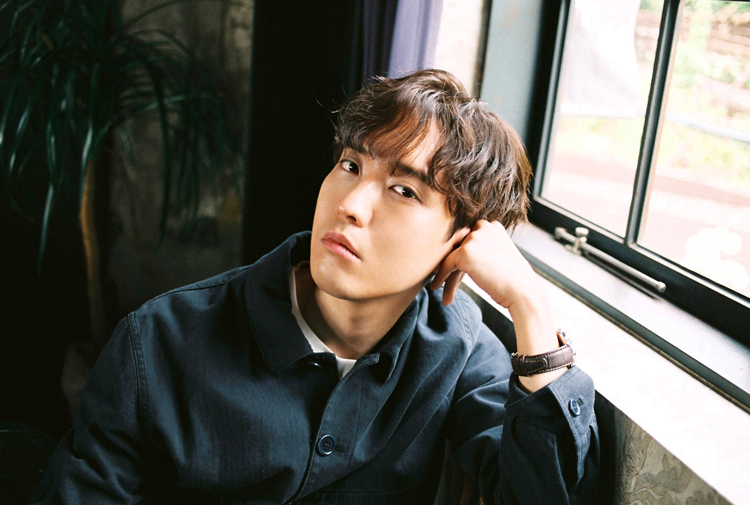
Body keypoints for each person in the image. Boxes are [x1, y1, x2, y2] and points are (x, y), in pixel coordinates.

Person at [30, 69, 599, 505]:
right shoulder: (158, 342)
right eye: (351, 165)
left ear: (462, 238)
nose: (351, 205)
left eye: (404, 191)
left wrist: (529, 305)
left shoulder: (459, 349)